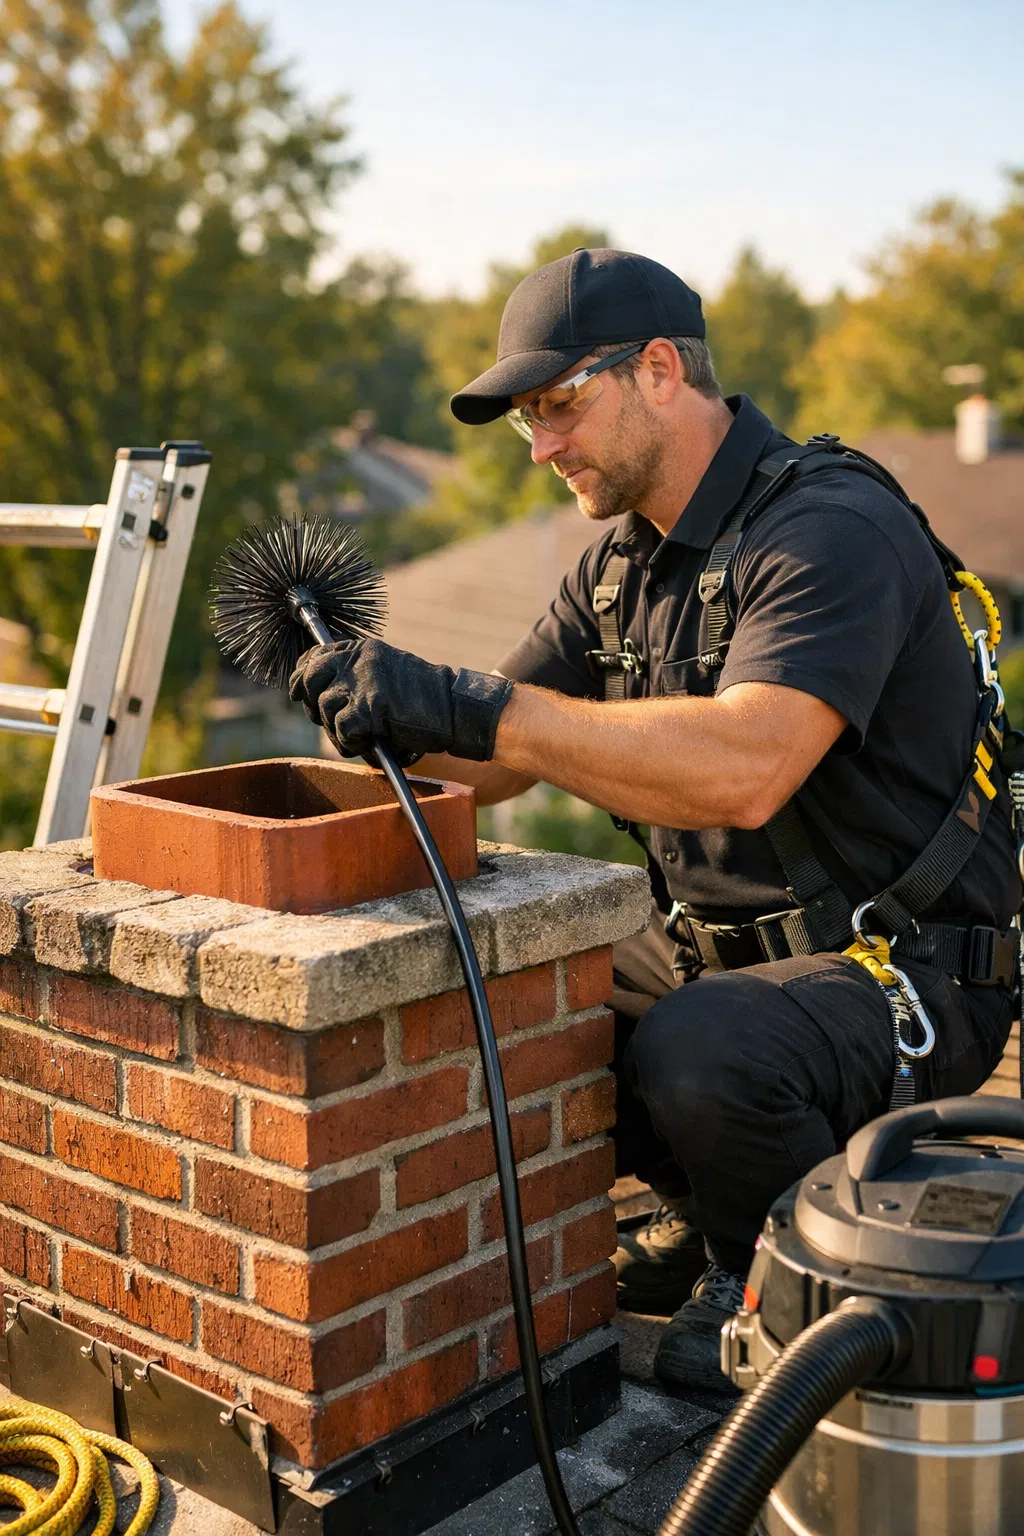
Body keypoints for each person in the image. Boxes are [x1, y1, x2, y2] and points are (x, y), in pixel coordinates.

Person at [289, 248, 1022, 1392]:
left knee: (700, 1047)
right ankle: (713, 1202)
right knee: (541, 992)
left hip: (908, 976)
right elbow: (487, 761)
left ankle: (771, 1277)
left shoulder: (829, 528)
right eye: (526, 420)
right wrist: (372, 704)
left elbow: (747, 765)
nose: (539, 448)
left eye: (558, 405)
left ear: (662, 370)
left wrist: (481, 709)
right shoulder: (620, 572)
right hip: (728, 961)